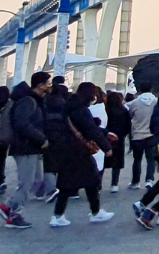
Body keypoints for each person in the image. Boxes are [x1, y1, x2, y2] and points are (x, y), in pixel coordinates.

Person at [47, 82, 115, 227]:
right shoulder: (81, 110)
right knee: (92, 180)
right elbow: (90, 129)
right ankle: (95, 212)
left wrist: (105, 133)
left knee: (68, 183)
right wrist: (106, 147)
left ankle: (59, 215)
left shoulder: (69, 106)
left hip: (67, 149)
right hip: (79, 151)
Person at [0, 72, 52, 229]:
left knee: (37, 180)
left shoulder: (34, 100)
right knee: (26, 183)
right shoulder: (28, 101)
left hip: (31, 147)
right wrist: (41, 139)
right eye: (48, 83)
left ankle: (10, 208)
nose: (50, 86)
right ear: (41, 85)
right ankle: (12, 211)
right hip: (25, 147)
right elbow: (21, 124)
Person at [126, 81, 158, 188]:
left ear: (139, 89)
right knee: (151, 159)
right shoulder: (156, 102)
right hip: (151, 135)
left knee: (137, 160)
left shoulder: (134, 103)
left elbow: (130, 115)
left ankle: (135, 182)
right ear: (152, 89)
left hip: (137, 135)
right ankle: (149, 179)